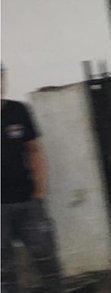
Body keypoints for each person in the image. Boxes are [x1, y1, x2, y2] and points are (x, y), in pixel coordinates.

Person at [2, 66, 63, 293]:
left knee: (46, 257)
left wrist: (39, 192)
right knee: (4, 271)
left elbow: (34, 151)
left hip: (28, 201)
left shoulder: (18, 111)